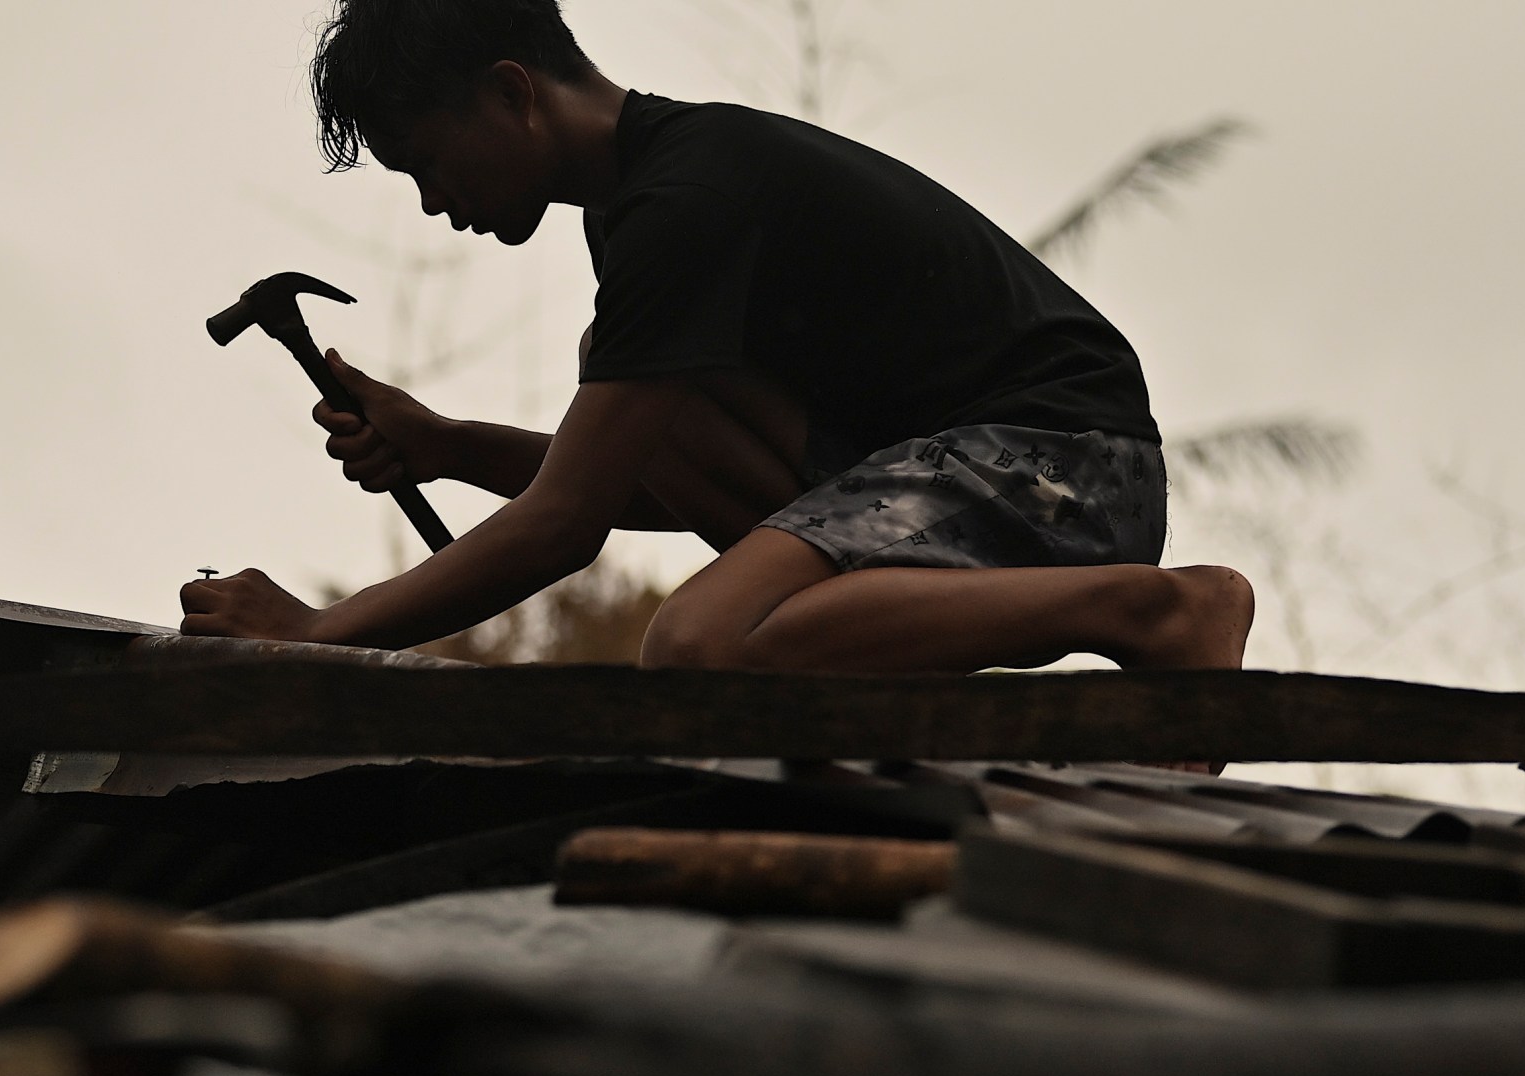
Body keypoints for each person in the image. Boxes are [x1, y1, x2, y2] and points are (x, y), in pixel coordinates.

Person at [179, 0, 1253, 677]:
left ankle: (1159, 611)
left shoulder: (684, 200)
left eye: (425, 162)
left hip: (1058, 464)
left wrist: (317, 631)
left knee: (698, 645)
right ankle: (851, 698)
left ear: (511, 94)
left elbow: (564, 527)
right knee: (672, 414)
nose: (430, 202)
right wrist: (453, 446)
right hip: (938, 468)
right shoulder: (640, 205)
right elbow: (624, 485)